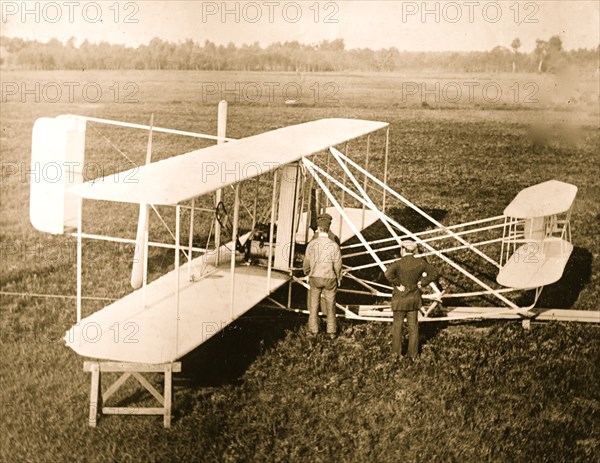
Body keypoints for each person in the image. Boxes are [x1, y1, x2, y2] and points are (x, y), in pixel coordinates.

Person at [384, 240, 439, 360]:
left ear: (402, 249)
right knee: (413, 327)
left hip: (399, 300)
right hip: (413, 300)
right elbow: (434, 273)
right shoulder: (420, 263)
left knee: (397, 327)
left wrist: (398, 284)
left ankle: (395, 355)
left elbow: (387, 274)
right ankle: (413, 355)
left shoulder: (398, 263)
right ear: (413, 250)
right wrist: (422, 283)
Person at [303, 215, 342, 338]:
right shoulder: (334, 245)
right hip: (330, 277)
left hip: (315, 277)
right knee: (331, 304)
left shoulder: (312, 244)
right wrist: (339, 277)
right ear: (328, 229)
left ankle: (313, 330)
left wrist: (307, 272)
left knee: (314, 304)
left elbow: (306, 262)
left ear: (318, 228)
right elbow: (338, 265)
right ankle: (331, 331)